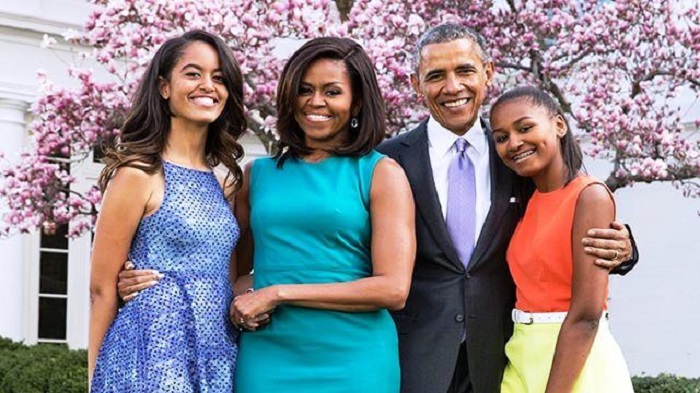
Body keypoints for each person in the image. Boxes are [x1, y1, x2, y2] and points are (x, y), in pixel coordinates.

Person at [375, 23, 639, 393]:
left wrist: (625, 248)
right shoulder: (387, 161)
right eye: (435, 76)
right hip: (417, 355)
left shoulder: (519, 156)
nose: (453, 87)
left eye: (465, 70)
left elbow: (568, 205)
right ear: (417, 85)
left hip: (502, 356)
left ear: (488, 72)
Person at [229, 37, 415, 392]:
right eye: (304, 89)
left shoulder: (381, 173)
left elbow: (394, 288)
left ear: (356, 101)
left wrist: (278, 292)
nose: (316, 102)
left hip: (356, 359)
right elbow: (229, 271)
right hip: (267, 354)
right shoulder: (258, 175)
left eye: (332, 91)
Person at [88, 30, 246, 391]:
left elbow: (230, 276)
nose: (208, 85)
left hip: (217, 351)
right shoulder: (138, 174)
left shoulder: (226, 185)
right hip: (150, 354)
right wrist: (95, 381)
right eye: (193, 73)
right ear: (163, 87)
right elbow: (101, 290)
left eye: (219, 78)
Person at [490, 86, 633, 392]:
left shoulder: (589, 195)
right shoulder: (527, 200)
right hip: (521, 353)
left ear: (559, 125)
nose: (514, 143)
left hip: (576, 362)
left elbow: (586, 316)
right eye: (501, 137)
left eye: (525, 127)